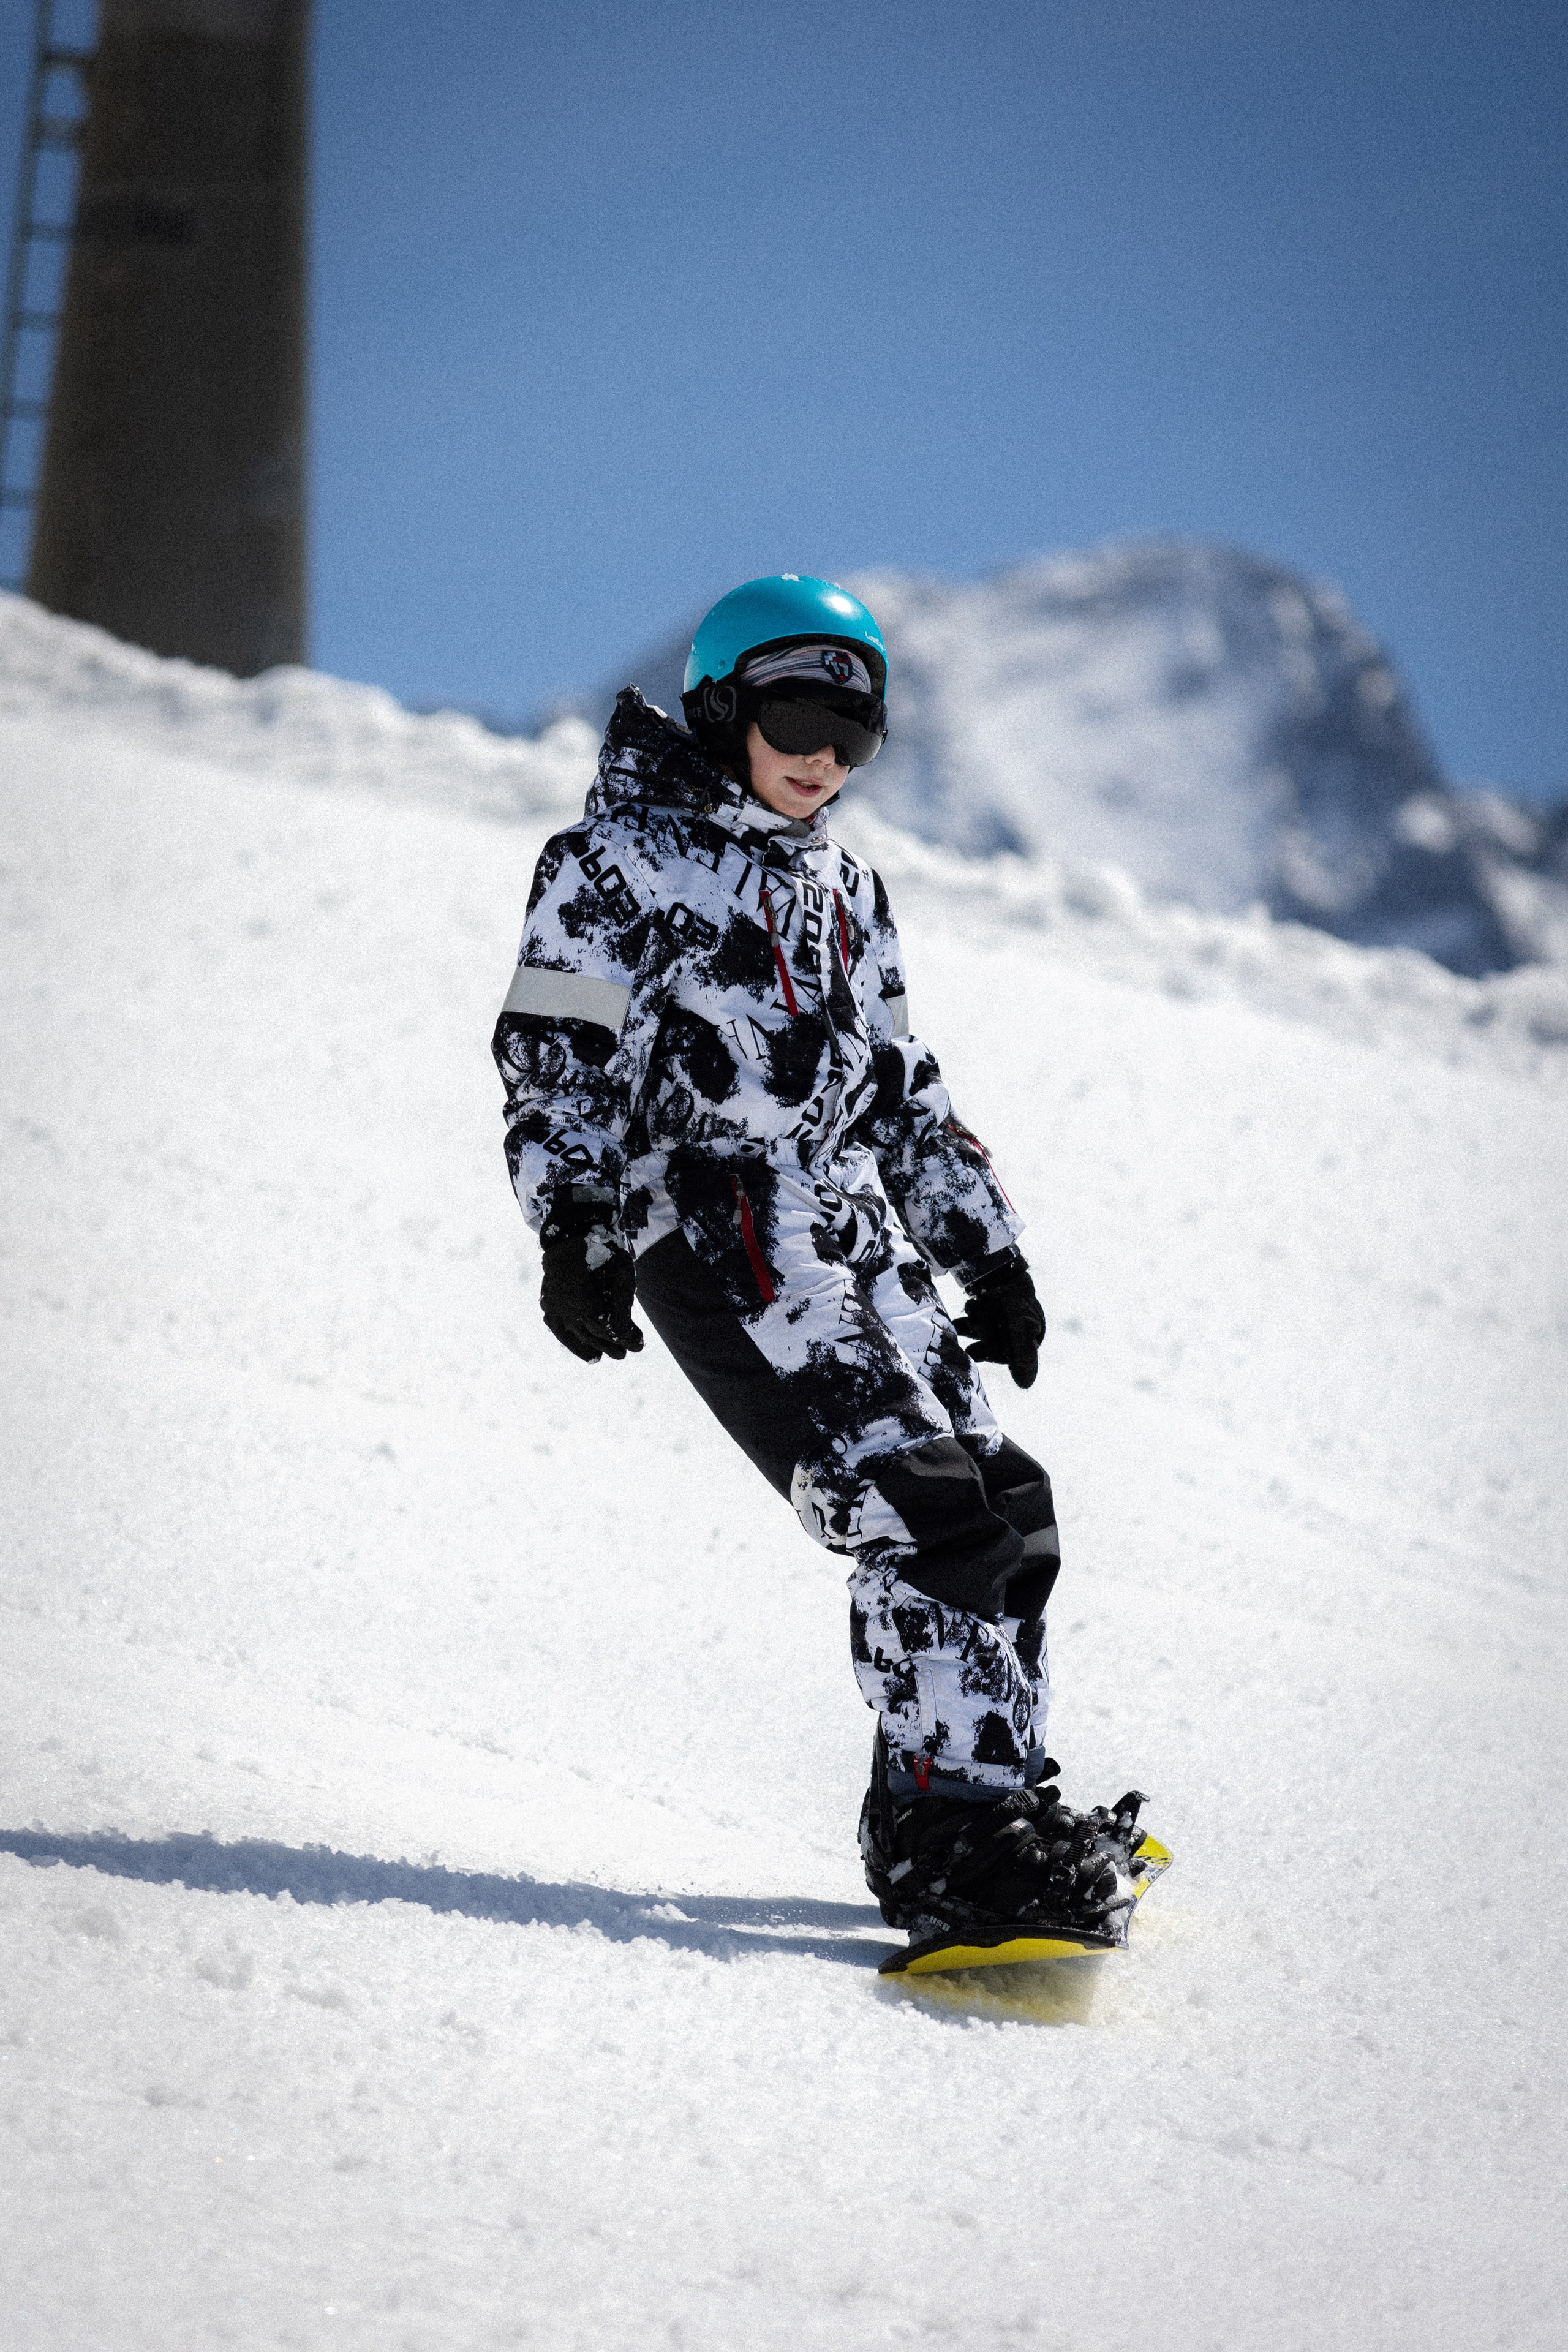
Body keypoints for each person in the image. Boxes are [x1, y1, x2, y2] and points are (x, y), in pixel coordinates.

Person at [492, 574, 1144, 1953]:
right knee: (917, 1510)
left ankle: (988, 1798)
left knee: (1006, 1503)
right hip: (718, 1232)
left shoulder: (850, 888)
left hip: (847, 1235)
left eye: (851, 735)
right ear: (723, 706)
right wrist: (577, 1231)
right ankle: (951, 1843)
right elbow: (556, 1064)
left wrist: (986, 1252)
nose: (820, 755)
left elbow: (902, 1090)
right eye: (793, 714)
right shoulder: (612, 864)